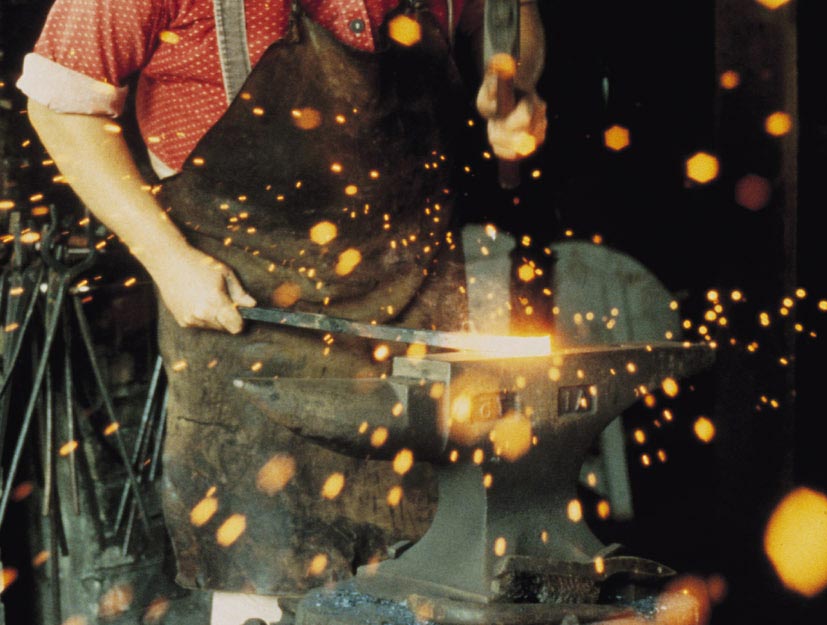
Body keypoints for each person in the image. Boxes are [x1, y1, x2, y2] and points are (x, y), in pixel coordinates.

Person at [17, 0, 547, 623]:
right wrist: (166, 258)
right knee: (266, 592)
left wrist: (516, 85)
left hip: (418, 334)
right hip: (254, 333)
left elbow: (509, 17)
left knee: (438, 584)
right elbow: (60, 104)